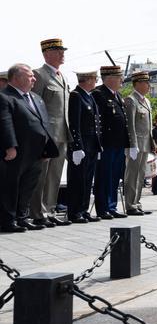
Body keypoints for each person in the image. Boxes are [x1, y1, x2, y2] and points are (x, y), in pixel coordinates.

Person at [1, 63, 58, 232]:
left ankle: (22, 217)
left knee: (28, 186)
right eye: (30, 76)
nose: (34, 79)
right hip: (17, 151)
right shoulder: (5, 97)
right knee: (11, 186)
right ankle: (8, 220)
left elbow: (43, 123)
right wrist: (10, 146)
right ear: (17, 78)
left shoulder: (35, 97)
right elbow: (5, 122)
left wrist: (47, 148)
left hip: (36, 152)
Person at [30, 38, 72, 227]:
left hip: (62, 133)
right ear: (47, 54)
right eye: (58, 51)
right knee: (42, 175)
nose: (62, 54)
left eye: (62, 50)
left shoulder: (62, 76)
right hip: (47, 134)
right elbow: (35, 105)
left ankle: (50, 209)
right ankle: (38, 212)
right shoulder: (39, 75)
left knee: (55, 175)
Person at [92, 66, 129, 219]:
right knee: (104, 176)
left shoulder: (117, 95)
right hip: (106, 143)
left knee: (114, 176)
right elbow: (97, 121)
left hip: (118, 143)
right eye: (119, 77)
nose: (122, 80)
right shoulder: (98, 94)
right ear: (109, 78)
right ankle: (103, 208)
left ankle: (112, 206)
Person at [66, 70, 103, 222]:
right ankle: (75, 212)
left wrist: (98, 146)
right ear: (87, 79)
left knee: (88, 180)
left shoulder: (89, 96)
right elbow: (75, 123)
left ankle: (84, 209)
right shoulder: (76, 95)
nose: (96, 82)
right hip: (82, 145)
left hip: (91, 145)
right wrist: (76, 146)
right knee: (78, 180)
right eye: (95, 79)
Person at [123, 71, 154, 215]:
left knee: (141, 175)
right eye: (145, 82)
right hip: (136, 145)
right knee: (132, 175)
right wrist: (132, 145)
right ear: (137, 84)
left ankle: (137, 202)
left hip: (146, 143)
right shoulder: (131, 100)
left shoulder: (146, 101)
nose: (148, 85)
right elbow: (131, 125)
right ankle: (130, 204)